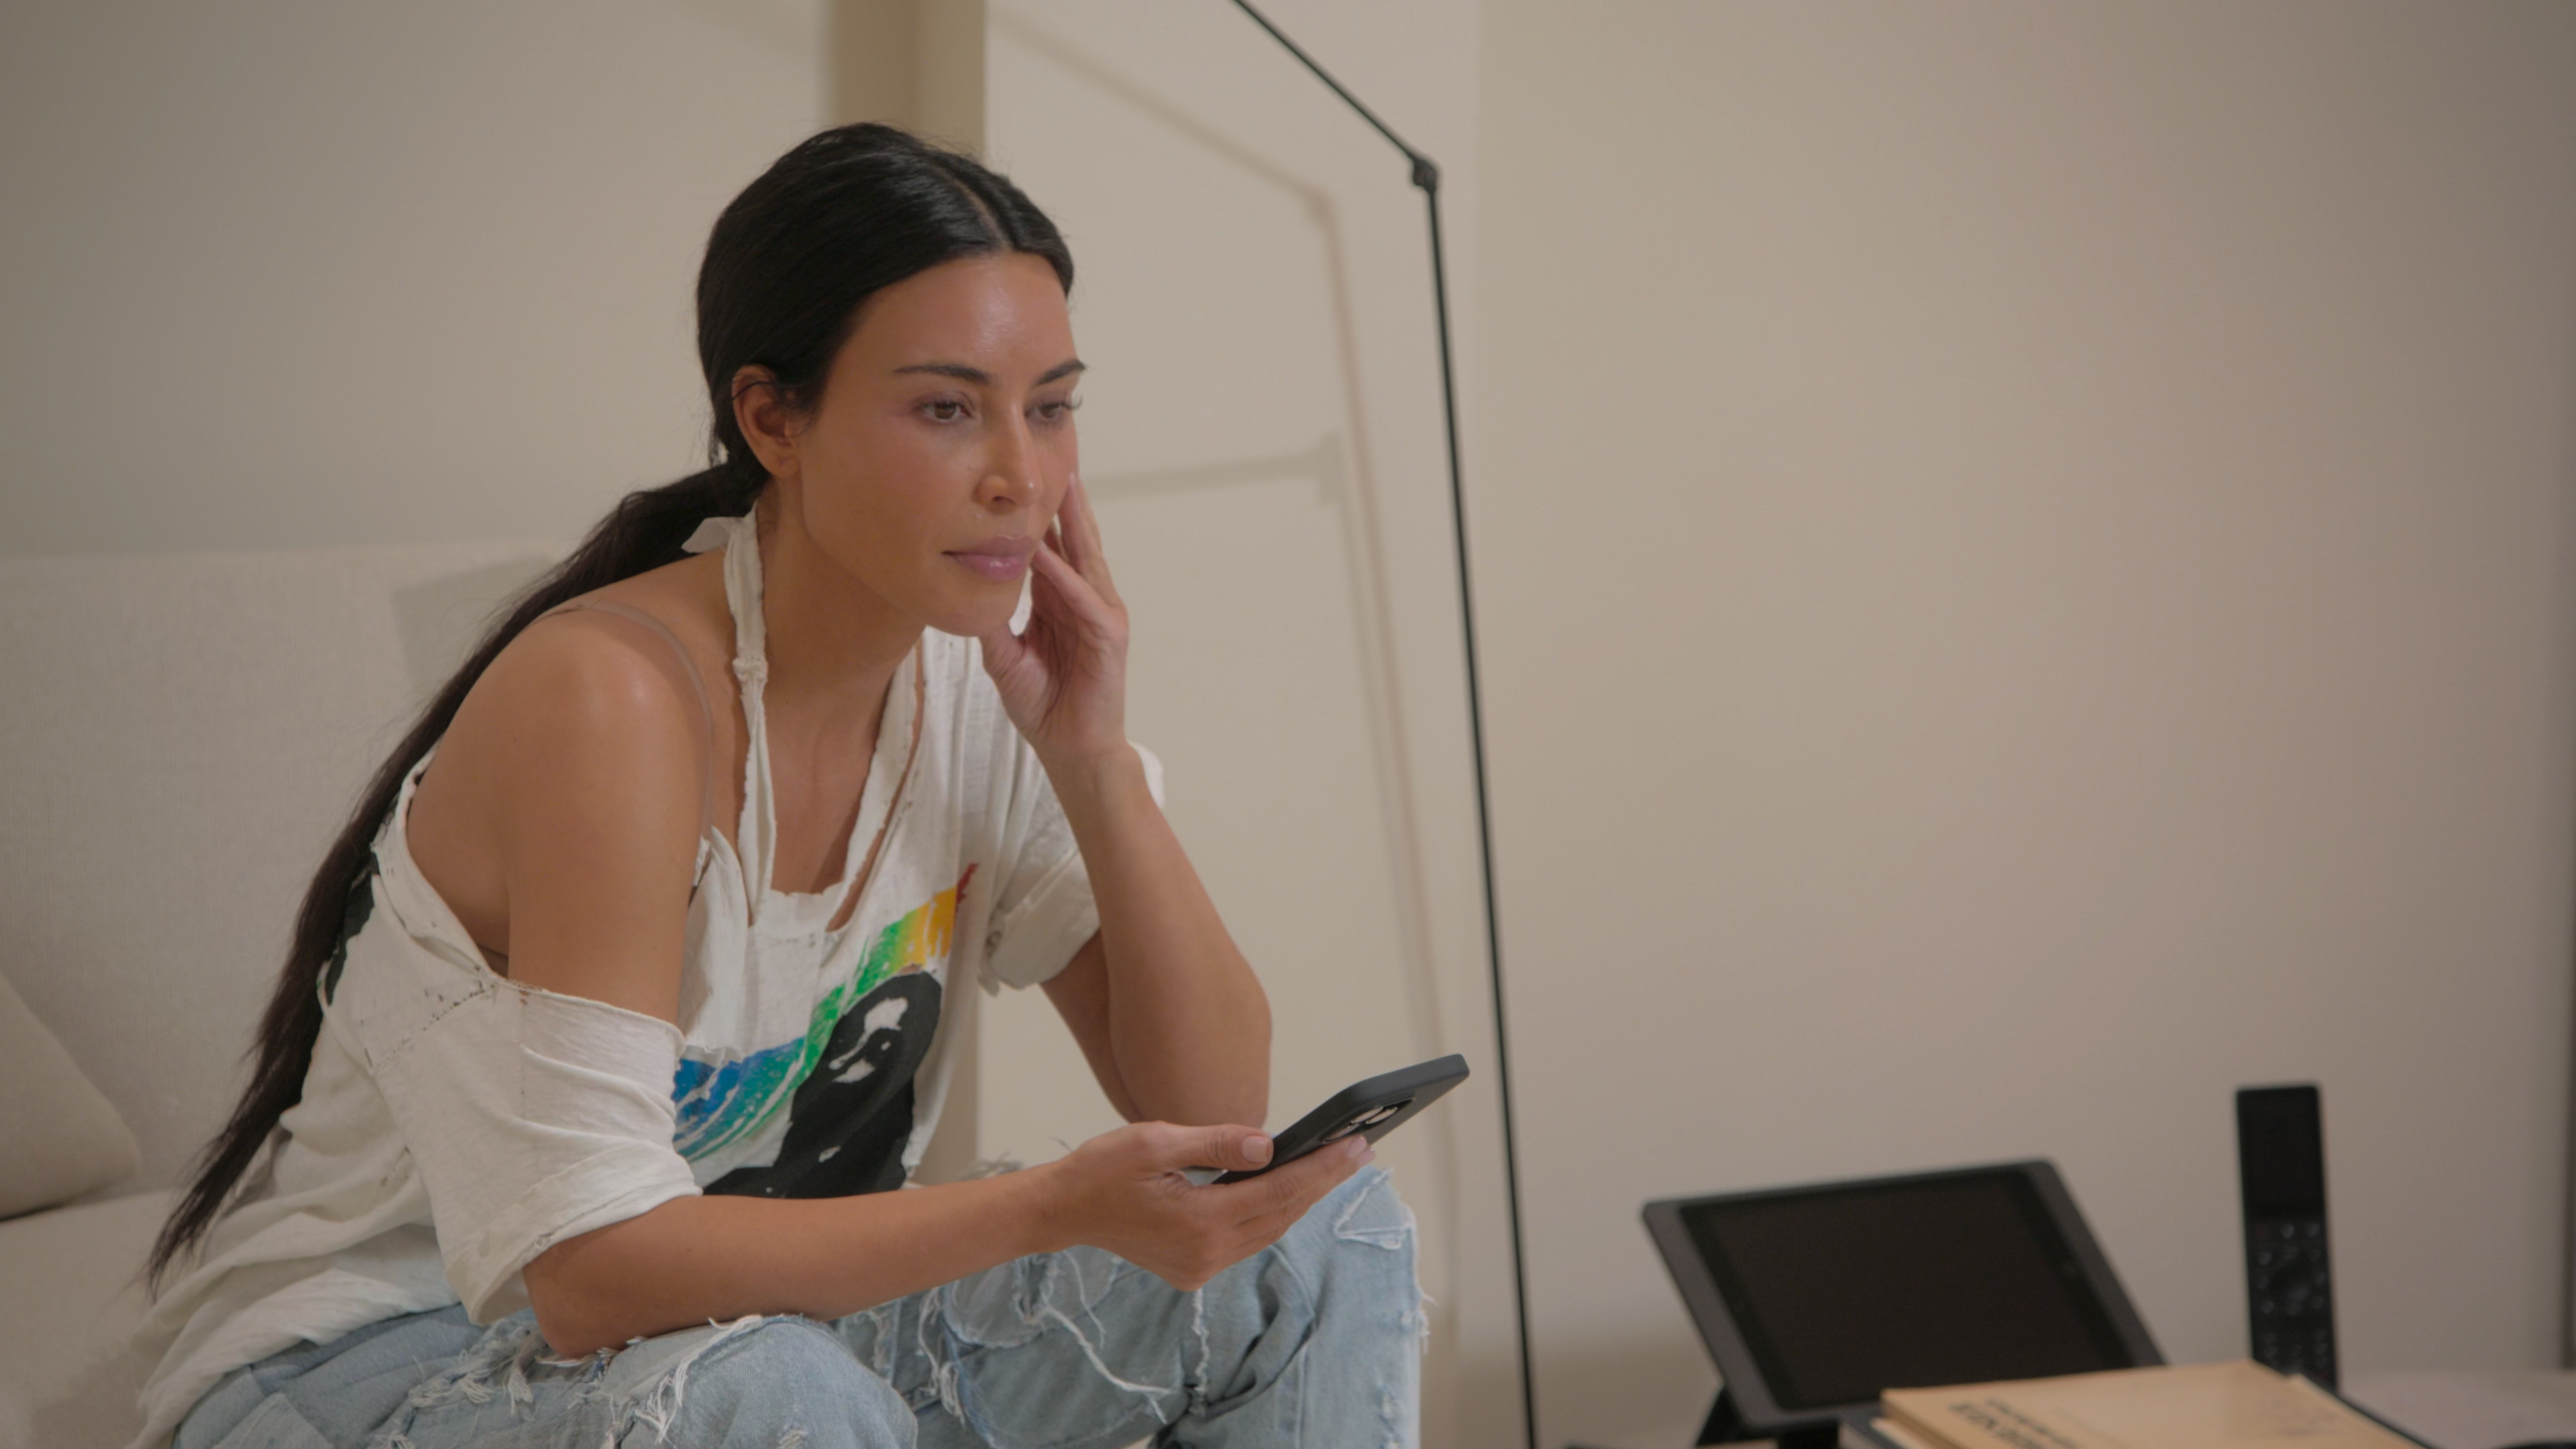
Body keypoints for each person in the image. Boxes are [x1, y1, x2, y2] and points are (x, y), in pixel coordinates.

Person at [131, 123, 1423, 1449]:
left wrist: (1091, 761)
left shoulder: (980, 683)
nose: (1022, 477)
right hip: (384, 1366)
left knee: (1317, 1227)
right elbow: (589, 1279)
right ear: (772, 420)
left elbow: (1216, 1120)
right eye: (947, 408)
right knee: (781, 1392)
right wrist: (1046, 1208)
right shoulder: (613, 701)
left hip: (754, 1341)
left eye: (1050, 407)